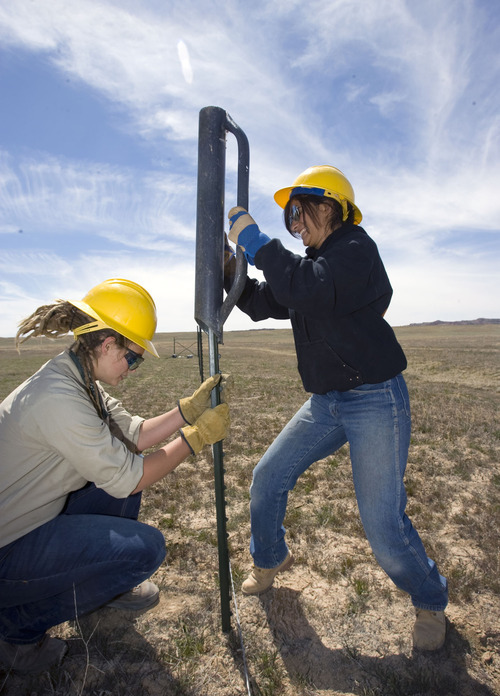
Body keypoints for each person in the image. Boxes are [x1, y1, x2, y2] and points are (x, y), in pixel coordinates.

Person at [225, 165, 448, 651]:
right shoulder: (310, 269)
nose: (295, 224)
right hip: (327, 403)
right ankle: (270, 558)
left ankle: (430, 601)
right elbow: (268, 300)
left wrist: (258, 242)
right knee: (267, 477)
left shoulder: (354, 250)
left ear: (329, 206)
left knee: (383, 525)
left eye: (298, 212)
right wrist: (230, 273)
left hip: (374, 400)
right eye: (288, 218)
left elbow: (308, 286)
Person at [0, 278, 230, 674]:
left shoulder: (78, 376)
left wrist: (186, 412)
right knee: (144, 550)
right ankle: (14, 632)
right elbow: (130, 477)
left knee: (118, 487)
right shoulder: (59, 398)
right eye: (134, 359)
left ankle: (99, 589)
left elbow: (134, 435)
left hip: (31, 522)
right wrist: (196, 439)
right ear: (108, 345)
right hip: (8, 550)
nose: (133, 369)